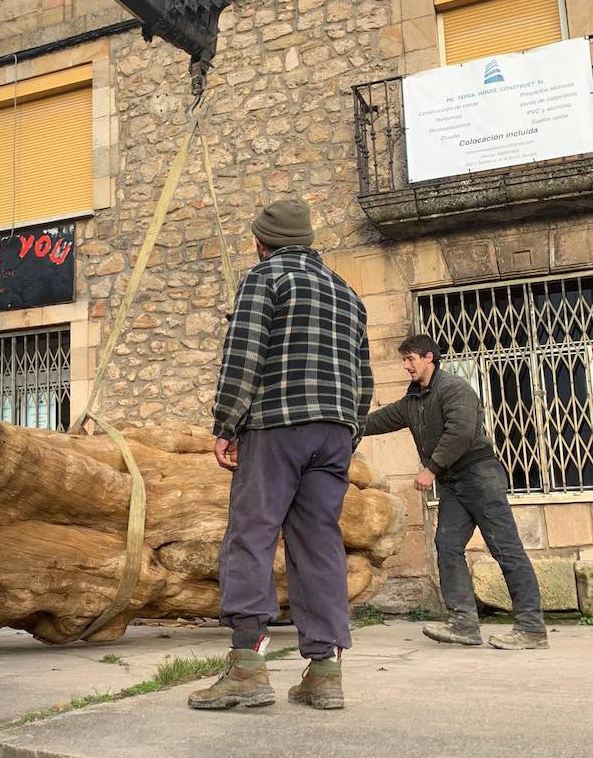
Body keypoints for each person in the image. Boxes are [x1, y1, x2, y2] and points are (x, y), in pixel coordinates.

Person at [189, 199, 373, 714]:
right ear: (309, 241)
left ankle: (247, 668)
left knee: (251, 534)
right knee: (320, 545)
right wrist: (347, 431)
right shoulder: (348, 293)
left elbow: (243, 358)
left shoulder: (264, 279)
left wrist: (226, 425)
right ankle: (324, 673)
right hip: (334, 434)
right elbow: (363, 379)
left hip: (277, 426)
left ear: (259, 241)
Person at [362, 335, 546, 650]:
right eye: (404, 360)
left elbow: (460, 431)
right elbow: (377, 421)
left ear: (429, 358)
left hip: (479, 475)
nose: (406, 365)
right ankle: (464, 625)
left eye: (411, 359)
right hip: (452, 482)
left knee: (505, 549)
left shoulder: (454, 388)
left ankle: (531, 628)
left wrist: (431, 468)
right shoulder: (413, 402)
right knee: (447, 546)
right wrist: (340, 425)